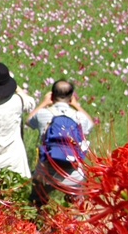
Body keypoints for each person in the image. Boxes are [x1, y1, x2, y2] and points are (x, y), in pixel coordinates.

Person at [26, 79, 93, 207]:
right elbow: (90, 123)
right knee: (75, 208)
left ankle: (35, 221)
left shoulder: (43, 114)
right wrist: (76, 105)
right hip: (73, 175)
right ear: (71, 97)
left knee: (36, 204)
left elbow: (28, 120)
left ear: (52, 95)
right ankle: (74, 223)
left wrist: (44, 103)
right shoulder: (80, 117)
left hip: (46, 173)